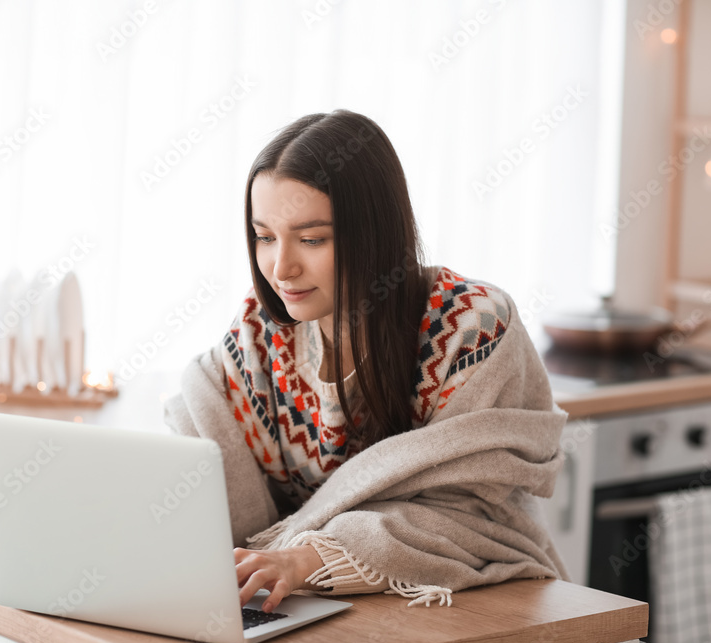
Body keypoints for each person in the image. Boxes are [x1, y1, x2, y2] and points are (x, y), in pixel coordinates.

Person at [163, 109, 569, 615]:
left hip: (466, 605)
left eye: (312, 239)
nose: (280, 268)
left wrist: (308, 559)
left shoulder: (473, 328)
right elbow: (205, 443)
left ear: (375, 234)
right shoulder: (260, 332)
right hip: (305, 606)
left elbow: (469, 518)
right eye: (264, 236)